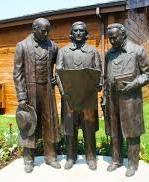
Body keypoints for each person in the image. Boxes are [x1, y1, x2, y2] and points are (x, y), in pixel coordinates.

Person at [103, 23, 149, 177]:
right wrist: (105, 96)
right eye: (110, 38)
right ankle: (116, 160)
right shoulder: (109, 54)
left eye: (114, 37)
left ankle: (132, 164)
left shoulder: (138, 51)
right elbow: (106, 77)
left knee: (131, 132)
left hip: (131, 98)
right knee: (114, 130)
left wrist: (133, 84)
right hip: (112, 98)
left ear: (123, 34)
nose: (111, 41)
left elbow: (148, 74)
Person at [13, 18, 61, 173]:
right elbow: (17, 73)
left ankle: (51, 156)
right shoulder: (22, 46)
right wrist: (21, 96)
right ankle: (28, 159)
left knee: (50, 123)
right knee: (29, 124)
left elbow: (59, 67)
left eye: (48, 30)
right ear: (34, 29)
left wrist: (56, 78)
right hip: (29, 90)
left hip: (47, 90)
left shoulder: (53, 46)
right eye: (43, 31)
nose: (46, 33)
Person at [56, 21, 102, 170]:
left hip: (88, 97)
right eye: (75, 30)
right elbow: (58, 73)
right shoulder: (63, 52)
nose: (78, 33)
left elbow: (99, 72)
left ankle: (91, 157)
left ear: (86, 34)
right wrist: (64, 92)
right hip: (69, 97)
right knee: (70, 129)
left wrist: (98, 84)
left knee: (88, 128)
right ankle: (70, 156)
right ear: (71, 33)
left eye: (81, 31)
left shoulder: (93, 51)